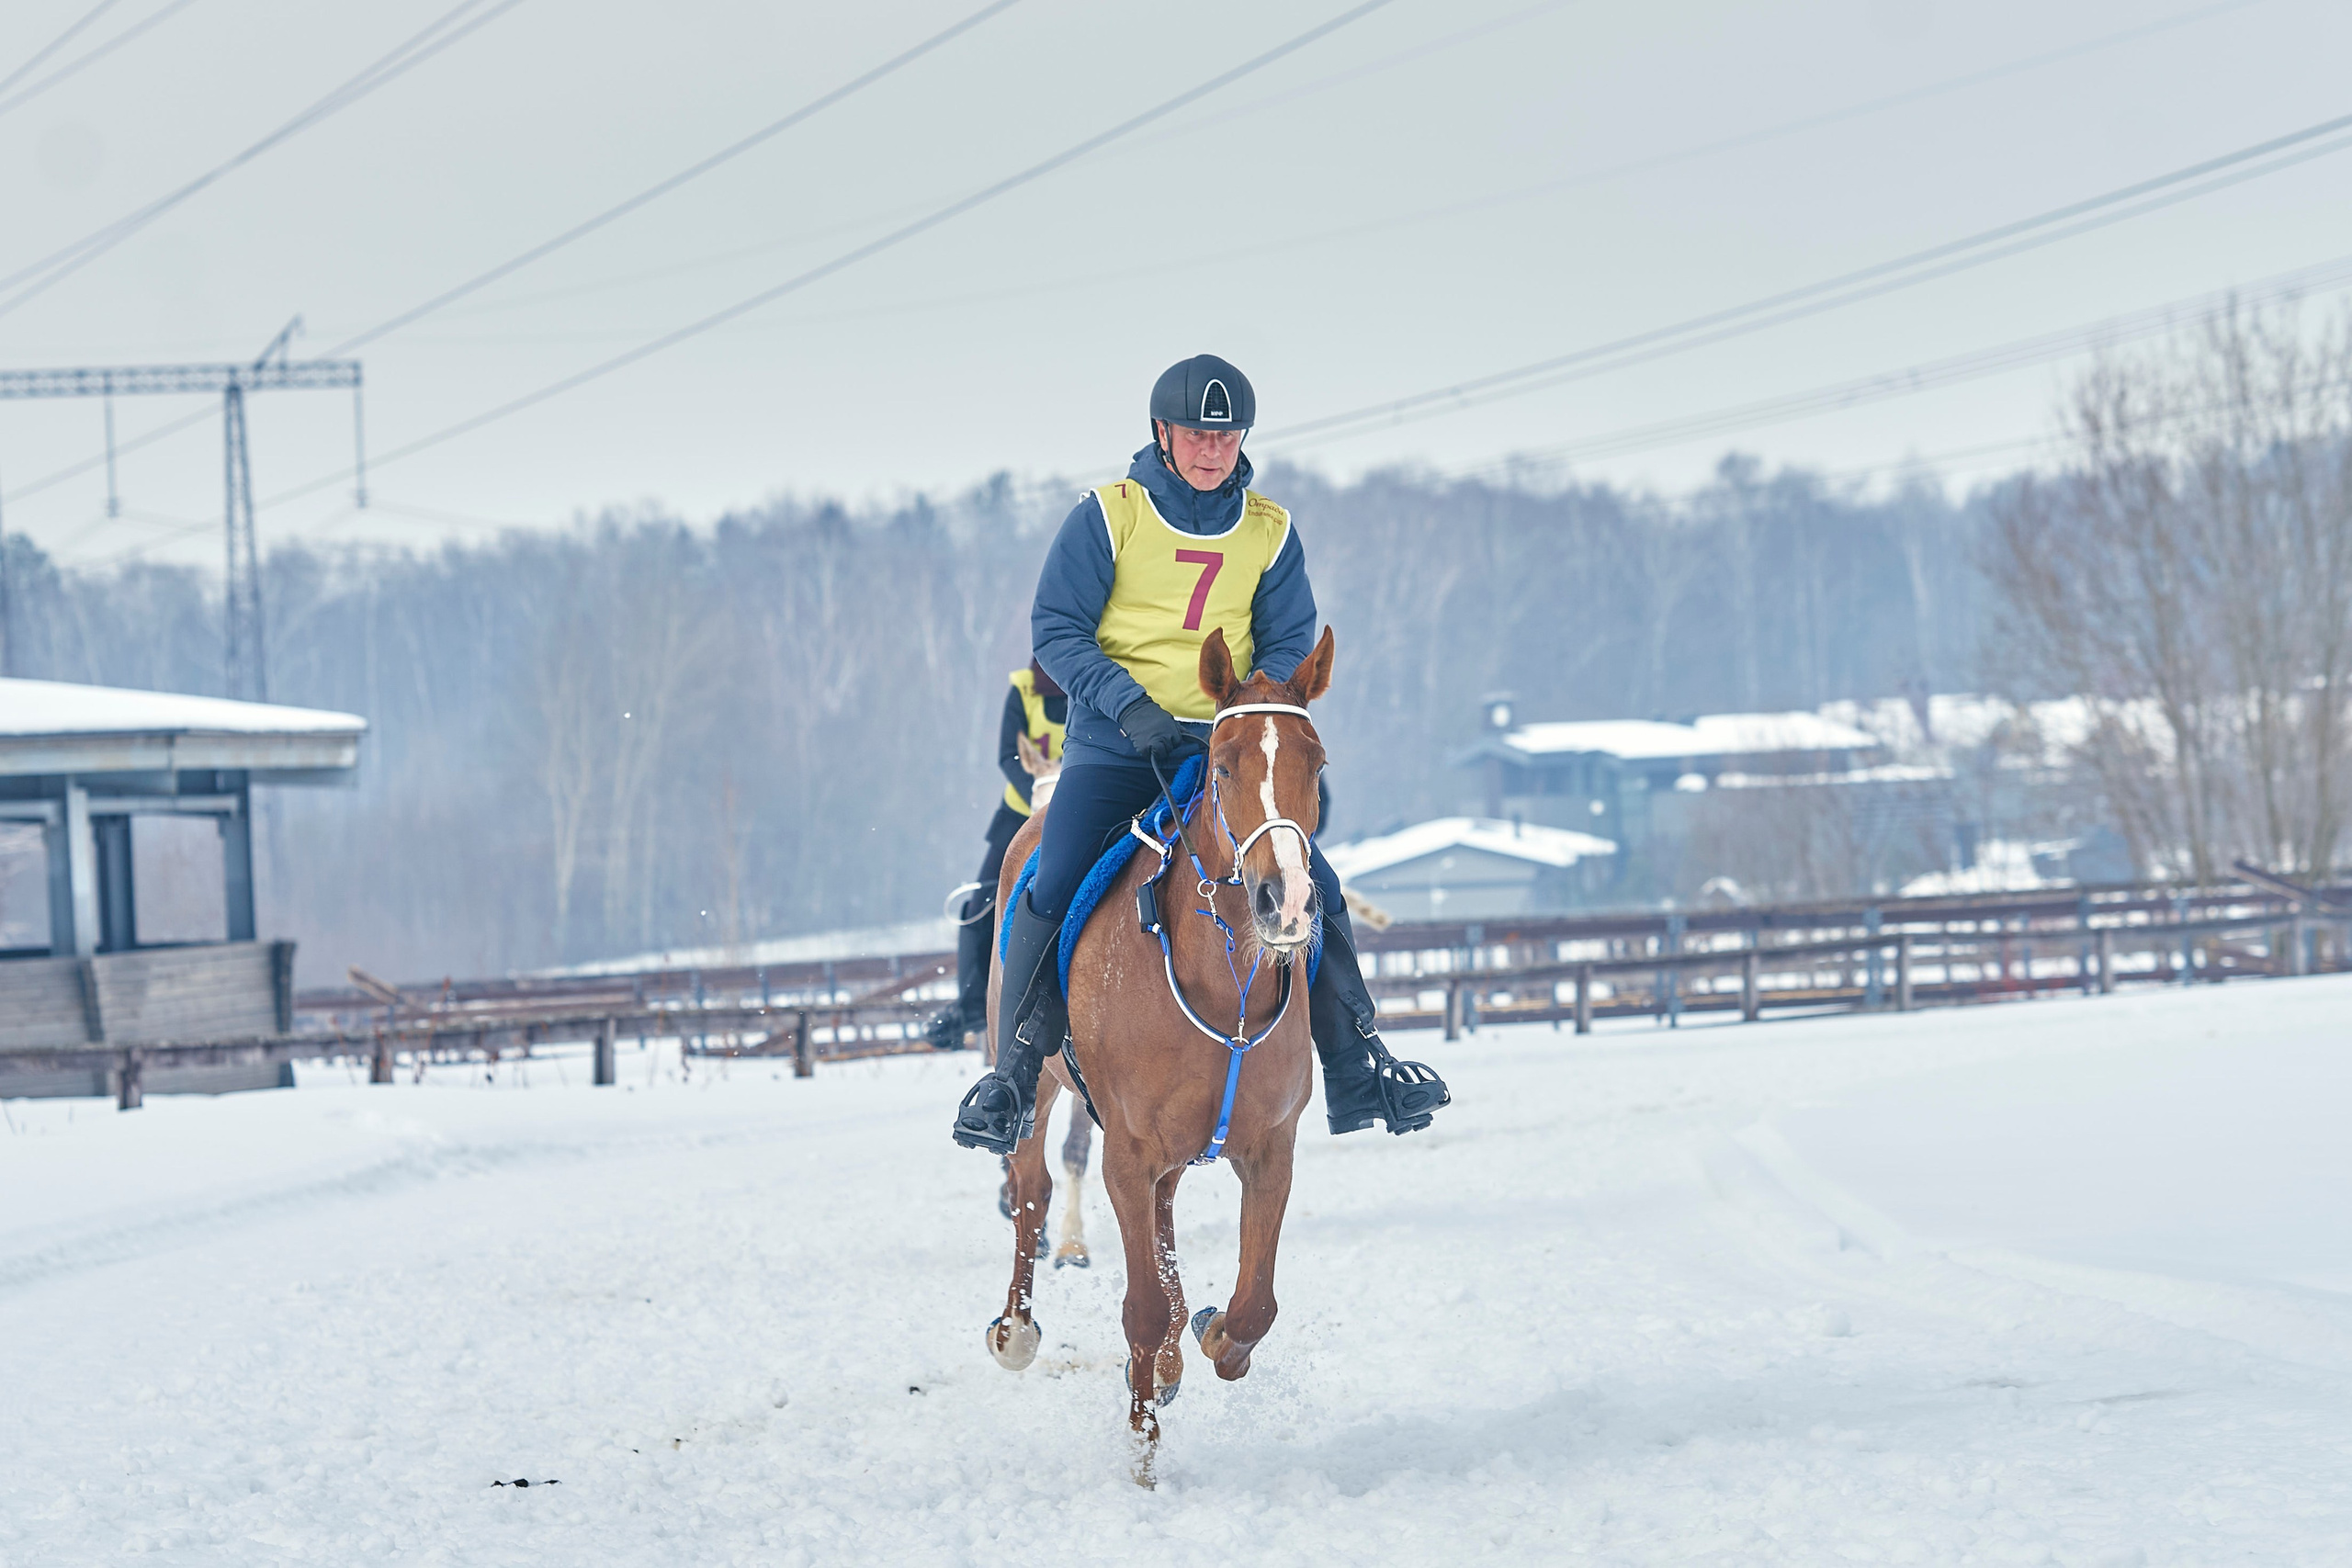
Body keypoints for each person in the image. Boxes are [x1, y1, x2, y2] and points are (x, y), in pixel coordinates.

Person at [950, 354, 1450, 1155]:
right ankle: (1012, 1076)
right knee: (1057, 874)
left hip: (1228, 745)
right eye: (1196, 434)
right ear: (1162, 432)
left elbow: (1288, 638)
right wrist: (1129, 705)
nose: (1212, 450)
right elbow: (1058, 630)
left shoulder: (1269, 529)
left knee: (1310, 877)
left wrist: (1247, 710)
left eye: (1227, 436)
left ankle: (1357, 1064)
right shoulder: (1108, 516)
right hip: (1115, 742)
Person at [933, 662, 1067, 1050]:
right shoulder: (1023, 690)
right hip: (1022, 810)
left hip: (1073, 805)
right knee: (979, 905)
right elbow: (1009, 756)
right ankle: (970, 1005)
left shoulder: (1088, 681)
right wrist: (1038, 794)